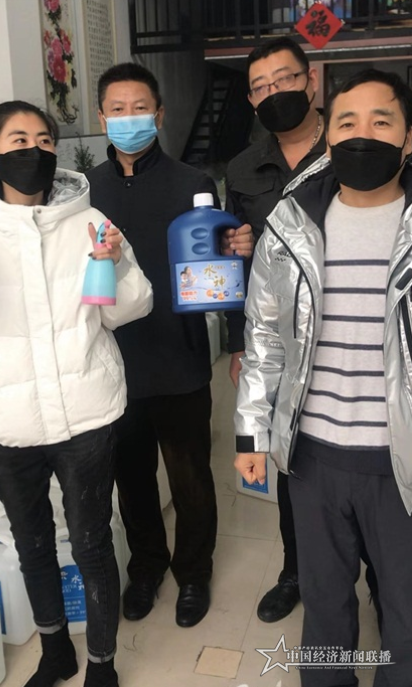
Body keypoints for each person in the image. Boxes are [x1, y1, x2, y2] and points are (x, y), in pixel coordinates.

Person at [0, 100, 153, 687]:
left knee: (92, 544)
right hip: (7, 417)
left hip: (85, 414)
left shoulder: (89, 221)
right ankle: (54, 652)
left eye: (45, 140)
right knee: (32, 544)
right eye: (19, 141)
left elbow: (128, 308)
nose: (35, 151)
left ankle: (102, 664)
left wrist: (116, 265)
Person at [234, 69, 412, 686]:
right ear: (328, 137)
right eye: (347, 122)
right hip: (313, 457)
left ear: (408, 138)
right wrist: (250, 435)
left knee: (405, 609)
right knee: (325, 604)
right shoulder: (291, 226)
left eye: (381, 121)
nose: (363, 135)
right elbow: (263, 339)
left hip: (400, 460)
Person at [87, 62, 251, 628]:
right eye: (117, 109)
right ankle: (146, 568)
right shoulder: (86, 192)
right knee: (131, 477)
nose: (128, 118)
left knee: (190, 476)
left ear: (158, 115)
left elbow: (220, 269)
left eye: (140, 108)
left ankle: (194, 572)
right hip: (113, 360)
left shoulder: (192, 183)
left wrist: (236, 337)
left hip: (179, 356)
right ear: (101, 117)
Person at [224, 36, 326, 624]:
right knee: (290, 456)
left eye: (284, 79)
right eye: (260, 87)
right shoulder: (243, 168)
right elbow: (234, 263)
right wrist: (238, 345)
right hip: (280, 341)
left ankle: (381, 575)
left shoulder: (350, 146)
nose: (273, 93)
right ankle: (296, 569)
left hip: (354, 331)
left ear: (311, 80)